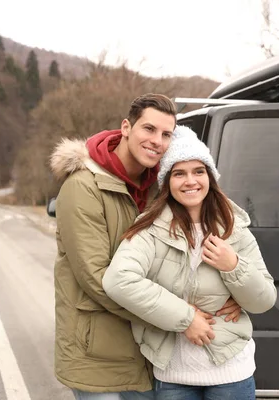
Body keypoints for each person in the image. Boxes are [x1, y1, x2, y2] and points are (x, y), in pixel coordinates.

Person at [49, 94, 243, 400]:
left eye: (166, 134)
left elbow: (190, 250)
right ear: (126, 127)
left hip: (148, 347)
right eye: (149, 129)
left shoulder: (161, 187)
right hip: (97, 350)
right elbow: (98, 278)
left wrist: (230, 294)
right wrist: (181, 316)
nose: (157, 141)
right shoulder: (83, 187)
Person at [102, 125, 277, 400]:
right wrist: (186, 318)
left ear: (210, 176)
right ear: (167, 182)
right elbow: (118, 279)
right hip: (174, 376)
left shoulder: (235, 228)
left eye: (198, 171)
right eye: (179, 173)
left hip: (231, 372)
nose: (190, 181)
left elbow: (264, 300)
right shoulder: (150, 230)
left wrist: (233, 267)